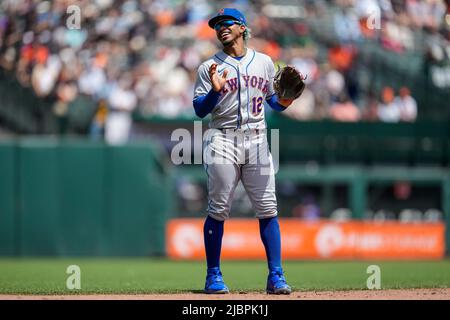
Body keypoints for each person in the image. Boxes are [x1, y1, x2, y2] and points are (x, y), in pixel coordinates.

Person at [193, 8, 298, 295]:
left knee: (268, 208)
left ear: (241, 27)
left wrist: (286, 100)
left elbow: (273, 103)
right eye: (217, 26)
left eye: (226, 23)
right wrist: (215, 91)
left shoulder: (264, 62)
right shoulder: (208, 67)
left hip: (258, 139)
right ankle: (213, 276)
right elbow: (200, 110)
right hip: (222, 139)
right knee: (218, 209)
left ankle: (276, 276)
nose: (221, 28)